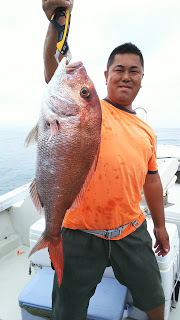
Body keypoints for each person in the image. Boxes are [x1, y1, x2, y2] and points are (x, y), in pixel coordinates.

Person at [42, 1, 170, 319]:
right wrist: (57, 23)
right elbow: (56, 67)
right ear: (106, 76)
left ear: (141, 78)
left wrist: (161, 226)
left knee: (155, 298)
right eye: (119, 70)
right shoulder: (90, 110)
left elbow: (152, 179)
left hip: (131, 229)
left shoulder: (146, 130)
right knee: (67, 310)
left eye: (134, 71)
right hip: (78, 232)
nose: (126, 77)